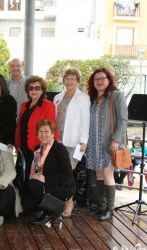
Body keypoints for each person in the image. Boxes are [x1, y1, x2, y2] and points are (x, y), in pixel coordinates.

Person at [86, 67, 128, 221]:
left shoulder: (116, 96)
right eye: (96, 79)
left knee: (107, 173)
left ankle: (110, 208)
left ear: (109, 80)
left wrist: (116, 140)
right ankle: (101, 206)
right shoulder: (92, 98)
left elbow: (123, 120)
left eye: (103, 78)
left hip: (109, 142)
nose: (100, 81)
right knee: (98, 174)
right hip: (93, 143)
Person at [22, 119, 76, 225]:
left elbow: (68, 174)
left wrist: (45, 179)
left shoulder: (59, 149)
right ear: (37, 134)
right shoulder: (37, 148)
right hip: (46, 185)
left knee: (33, 184)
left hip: (62, 186)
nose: (43, 135)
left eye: (46, 131)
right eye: (40, 132)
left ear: (52, 133)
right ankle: (51, 205)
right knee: (26, 204)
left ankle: (49, 213)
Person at [53, 68, 90, 217]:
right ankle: (58, 201)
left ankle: (69, 202)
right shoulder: (57, 97)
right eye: (67, 78)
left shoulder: (83, 98)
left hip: (74, 142)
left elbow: (85, 120)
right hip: (58, 141)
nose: (69, 81)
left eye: (73, 78)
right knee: (58, 172)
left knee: (68, 172)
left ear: (78, 81)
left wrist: (83, 141)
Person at [16, 75, 59, 185]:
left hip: (38, 147)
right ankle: (25, 197)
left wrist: (52, 146)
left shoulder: (48, 105)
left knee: (35, 177)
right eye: (31, 88)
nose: (33, 91)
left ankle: (33, 199)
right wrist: (17, 144)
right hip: (23, 146)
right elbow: (20, 126)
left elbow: (51, 127)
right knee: (24, 175)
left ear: (42, 90)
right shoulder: (24, 105)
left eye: (37, 88)